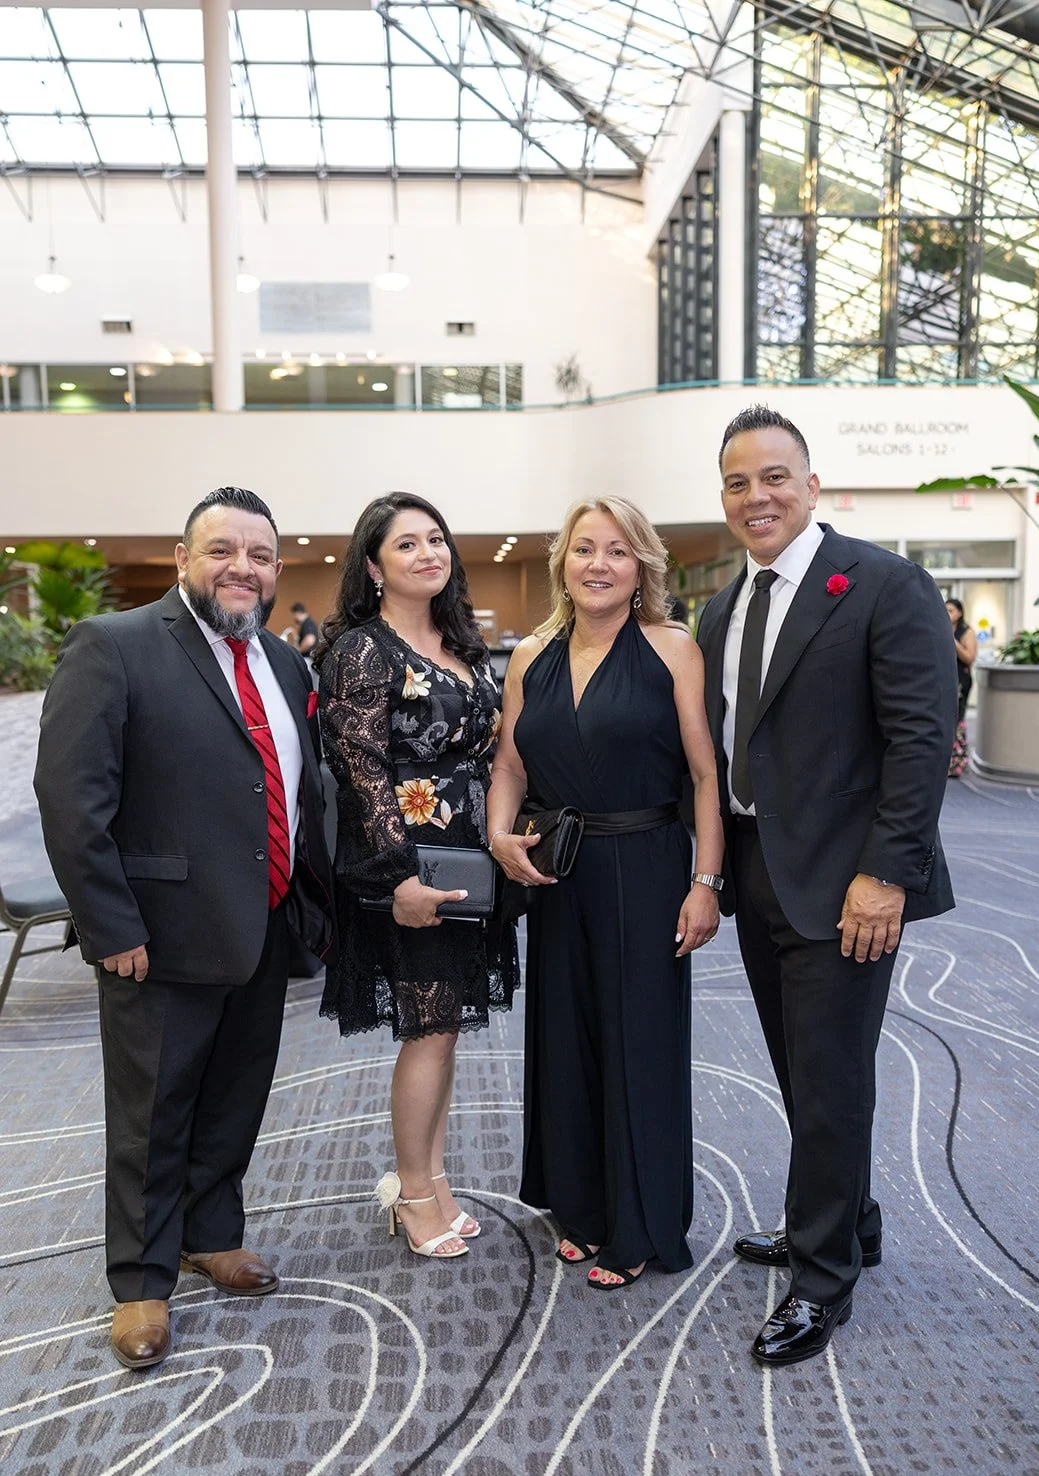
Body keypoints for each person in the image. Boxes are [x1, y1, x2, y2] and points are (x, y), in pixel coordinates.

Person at [34, 486, 334, 1371]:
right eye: (222, 550)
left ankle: (213, 1233)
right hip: (155, 937)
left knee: (235, 1097)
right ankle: (140, 1283)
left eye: (260, 555)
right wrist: (108, 923)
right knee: (152, 1113)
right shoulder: (114, 647)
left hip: (263, 926)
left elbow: (289, 785)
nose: (243, 567)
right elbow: (72, 799)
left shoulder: (282, 665)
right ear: (182, 558)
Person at [697, 405, 956, 1365]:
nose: (755, 496)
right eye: (736, 482)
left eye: (773, 476)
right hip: (761, 873)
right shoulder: (725, 608)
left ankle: (820, 1281)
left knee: (832, 1079)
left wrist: (885, 874)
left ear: (810, 484)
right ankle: (851, 1220)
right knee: (804, 1070)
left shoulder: (884, 585)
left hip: (851, 882)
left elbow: (920, 742)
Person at [487, 497, 723, 1291]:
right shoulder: (531, 655)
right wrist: (497, 837)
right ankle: (581, 1208)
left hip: (648, 867)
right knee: (566, 1039)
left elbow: (702, 776)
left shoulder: (671, 649)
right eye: (584, 549)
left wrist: (705, 883)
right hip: (558, 870)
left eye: (616, 551)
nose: (598, 564)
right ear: (562, 563)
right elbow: (510, 767)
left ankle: (640, 1225)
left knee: (638, 1046)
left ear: (641, 566)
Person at [316, 492, 518, 1260]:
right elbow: (361, 771)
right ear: (373, 566)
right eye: (407, 545)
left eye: (436, 539)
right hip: (409, 865)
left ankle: (431, 1180)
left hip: (468, 859)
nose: (428, 553)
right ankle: (412, 1193)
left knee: (447, 1029)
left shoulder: (459, 644)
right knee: (427, 1032)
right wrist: (398, 877)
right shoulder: (362, 650)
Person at [945, 597, 977, 777]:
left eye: (951, 611)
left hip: (961, 680)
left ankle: (958, 763)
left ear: (960, 613)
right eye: (946, 610)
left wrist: (953, 642)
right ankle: (947, 761)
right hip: (946, 678)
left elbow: (969, 658)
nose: (948, 614)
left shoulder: (967, 632)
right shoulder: (941, 627)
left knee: (958, 719)